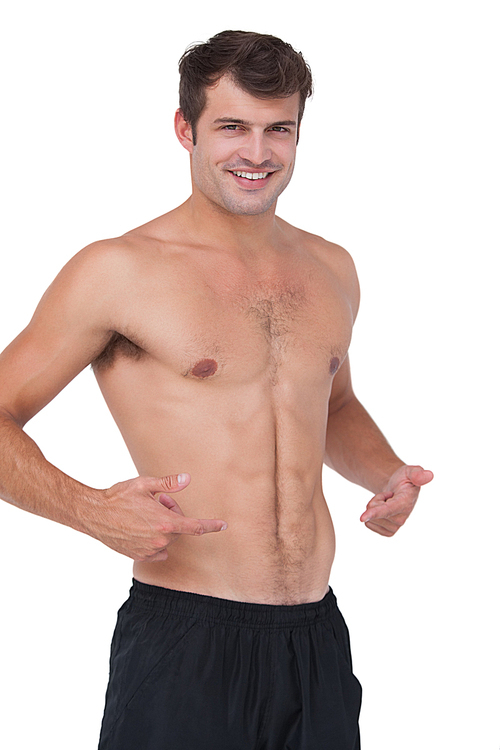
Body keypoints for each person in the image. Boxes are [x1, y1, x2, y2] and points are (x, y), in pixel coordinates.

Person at [0, 30, 433, 750]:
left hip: (315, 639)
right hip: (184, 639)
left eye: (278, 130)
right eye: (232, 127)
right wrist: (87, 509)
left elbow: (334, 405)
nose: (257, 153)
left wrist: (386, 473)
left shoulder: (332, 267)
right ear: (185, 130)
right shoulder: (118, 270)